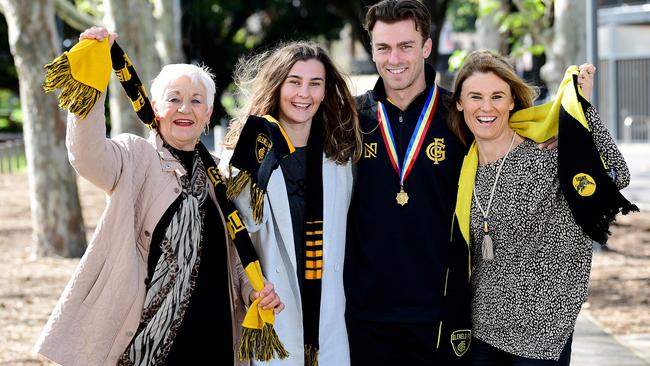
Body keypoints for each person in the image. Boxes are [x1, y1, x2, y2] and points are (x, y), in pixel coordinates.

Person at [34, 27, 284, 366]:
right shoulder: (135, 157)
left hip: (216, 340)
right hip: (149, 345)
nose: (185, 107)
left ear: (208, 114)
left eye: (197, 101)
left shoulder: (221, 178)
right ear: (155, 107)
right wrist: (94, 74)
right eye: (174, 98)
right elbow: (86, 154)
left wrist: (252, 289)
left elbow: (236, 256)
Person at [449, 50, 633, 365]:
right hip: (481, 328)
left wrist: (581, 122)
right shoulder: (462, 167)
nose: (486, 107)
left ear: (511, 102)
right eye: (475, 96)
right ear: (460, 103)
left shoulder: (546, 153)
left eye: (497, 96)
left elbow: (617, 175)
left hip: (542, 333)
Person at [343, 0, 472, 364]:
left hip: (441, 313)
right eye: (383, 47)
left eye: (405, 46)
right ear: (372, 49)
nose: (394, 58)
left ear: (426, 47)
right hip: (365, 315)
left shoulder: (461, 117)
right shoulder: (350, 118)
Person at [219, 41, 362, 366]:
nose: (304, 93)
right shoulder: (248, 150)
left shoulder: (338, 156)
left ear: (326, 91)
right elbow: (242, 233)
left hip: (328, 318)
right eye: (294, 82)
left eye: (315, 83)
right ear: (278, 84)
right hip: (275, 309)